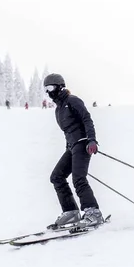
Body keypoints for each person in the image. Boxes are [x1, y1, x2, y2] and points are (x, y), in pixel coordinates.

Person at [44, 73, 104, 230]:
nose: (48, 92)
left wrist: (92, 139)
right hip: (72, 147)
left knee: (78, 178)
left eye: (50, 87)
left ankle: (93, 213)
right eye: (46, 89)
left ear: (59, 86)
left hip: (83, 144)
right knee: (56, 176)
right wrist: (68, 148)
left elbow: (87, 119)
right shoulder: (58, 109)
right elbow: (67, 132)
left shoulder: (73, 101)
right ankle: (71, 211)